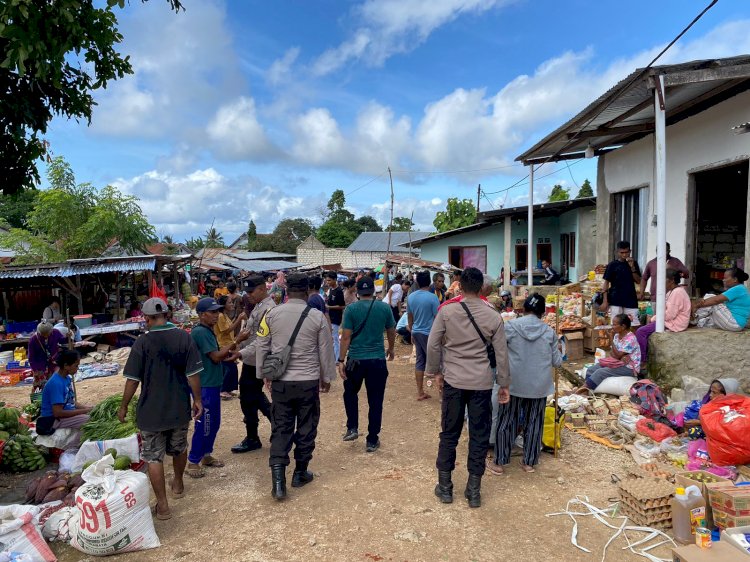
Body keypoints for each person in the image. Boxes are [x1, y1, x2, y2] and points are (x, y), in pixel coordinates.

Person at [426, 267, 510, 508]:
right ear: (482, 287)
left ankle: (445, 487)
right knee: (479, 435)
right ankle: (473, 491)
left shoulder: (447, 312)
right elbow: (502, 354)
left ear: (460, 286)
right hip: (482, 383)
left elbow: (433, 344)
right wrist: (503, 383)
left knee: (449, 433)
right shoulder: (493, 315)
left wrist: (436, 371)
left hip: (453, 380)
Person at [118, 298, 203, 521]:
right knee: (179, 446)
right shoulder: (184, 337)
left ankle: (163, 506)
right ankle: (178, 483)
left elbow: (132, 380)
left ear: (146, 319)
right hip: (178, 406)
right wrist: (198, 400)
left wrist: (124, 405)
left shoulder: (142, 343)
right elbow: (193, 374)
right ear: (167, 314)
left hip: (151, 410)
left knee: (154, 458)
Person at [256, 274, 336, 500]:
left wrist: (264, 374)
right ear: (309, 290)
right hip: (308, 381)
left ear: (286, 291)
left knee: (281, 427)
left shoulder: (270, 314)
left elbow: (263, 345)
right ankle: (300, 473)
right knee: (307, 426)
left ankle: (278, 483)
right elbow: (325, 350)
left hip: (281, 381)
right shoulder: (317, 317)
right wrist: (326, 377)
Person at [489, 294, 561, 475]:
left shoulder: (510, 326)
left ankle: (499, 462)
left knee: (506, 421)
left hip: (513, 383)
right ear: (542, 312)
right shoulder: (549, 332)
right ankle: (528, 462)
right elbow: (557, 362)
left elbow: (499, 351)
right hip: (539, 386)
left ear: (524, 309)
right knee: (534, 423)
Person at [338, 276, 396, 453]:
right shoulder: (384, 308)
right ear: (374, 291)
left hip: (355, 360)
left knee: (350, 393)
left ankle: (352, 427)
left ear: (357, 292)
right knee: (375, 400)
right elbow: (391, 330)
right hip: (377, 360)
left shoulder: (351, 309)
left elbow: (346, 337)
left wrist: (341, 360)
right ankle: (372, 440)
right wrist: (391, 348)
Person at [187, 297, 239, 478]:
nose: (217, 315)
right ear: (202, 315)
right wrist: (237, 340)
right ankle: (193, 461)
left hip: (211, 383)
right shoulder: (201, 332)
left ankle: (206, 455)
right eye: (213, 312)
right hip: (205, 385)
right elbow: (215, 357)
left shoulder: (207, 331)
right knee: (205, 423)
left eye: (218, 311)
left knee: (213, 422)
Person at [232, 276, 274, 453]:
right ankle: (277, 427)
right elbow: (250, 334)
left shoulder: (269, 309)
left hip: (258, 360)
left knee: (249, 398)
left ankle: (253, 437)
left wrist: (240, 351)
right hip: (251, 359)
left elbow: (262, 340)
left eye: (251, 291)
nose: (248, 295)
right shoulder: (258, 306)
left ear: (263, 288)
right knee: (253, 396)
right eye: (247, 292)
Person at [635, 269, 691, 364]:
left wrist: (653, 318)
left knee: (641, 332)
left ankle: (642, 361)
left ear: (671, 280)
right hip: (669, 320)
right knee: (645, 325)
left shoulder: (678, 292)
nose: (661, 282)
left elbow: (670, 315)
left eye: (663, 279)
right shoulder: (671, 292)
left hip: (675, 323)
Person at [580, 314, 640, 391]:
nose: (612, 326)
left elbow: (617, 355)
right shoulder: (617, 336)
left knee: (600, 372)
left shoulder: (631, 339)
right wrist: (619, 355)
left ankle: (582, 390)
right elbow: (613, 354)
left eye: (614, 325)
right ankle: (588, 390)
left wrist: (611, 339)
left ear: (623, 326)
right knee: (591, 369)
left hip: (629, 368)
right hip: (617, 362)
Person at [37, 350, 92, 435]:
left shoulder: (66, 378)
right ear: (66, 365)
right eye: (76, 366)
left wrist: (87, 408)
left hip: (63, 416)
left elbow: (70, 401)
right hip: (53, 420)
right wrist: (83, 411)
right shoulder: (56, 383)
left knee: (92, 413)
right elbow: (57, 412)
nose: (77, 369)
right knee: (89, 420)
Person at [407, 271, 440, 401]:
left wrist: (411, 330)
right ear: (429, 282)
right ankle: (442, 394)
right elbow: (438, 318)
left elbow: (410, 316)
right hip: (429, 333)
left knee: (420, 362)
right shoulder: (433, 298)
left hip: (416, 331)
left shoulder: (411, 297)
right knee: (437, 362)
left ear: (417, 282)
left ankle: (420, 392)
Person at [693, 267, 750, 332]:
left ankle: (693, 317)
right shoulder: (740, 288)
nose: (723, 280)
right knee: (706, 319)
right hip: (736, 324)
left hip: (734, 322)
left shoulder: (738, 288)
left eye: (725, 278)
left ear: (735, 279)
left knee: (711, 298)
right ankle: (694, 318)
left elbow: (716, 300)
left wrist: (696, 305)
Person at [215, 295, 248, 400]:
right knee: (228, 368)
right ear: (223, 305)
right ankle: (223, 390)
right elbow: (227, 331)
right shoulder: (220, 316)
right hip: (223, 345)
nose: (232, 304)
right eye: (229, 302)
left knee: (232, 368)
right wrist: (239, 319)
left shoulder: (224, 315)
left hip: (229, 344)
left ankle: (228, 389)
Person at [601, 241, 642, 326]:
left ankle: (631, 340)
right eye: (622, 252)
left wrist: (632, 268)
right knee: (616, 325)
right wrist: (605, 301)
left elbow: (639, 281)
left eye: (626, 252)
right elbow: (606, 283)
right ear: (617, 252)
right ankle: (616, 339)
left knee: (633, 324)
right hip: (615, 300)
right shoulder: (612, 265)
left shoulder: (634, 264)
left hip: (630, 300)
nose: (624, 255)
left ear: (630, 251)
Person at [29, 321, 67, 391]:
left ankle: (54, 398)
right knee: (39, 386)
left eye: (48, 334)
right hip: (40, 365)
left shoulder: (55, 332)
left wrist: (67, 337)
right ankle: (37, 400)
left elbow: (62, 340)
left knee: (55, 382)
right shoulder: (33, 340)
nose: (46, 336)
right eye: (44, 334)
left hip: (53, 362)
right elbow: (31, 357)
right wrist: (34, 370)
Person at [324, 271, 346, 361]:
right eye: (327, 280)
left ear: (335, 280)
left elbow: (342, 306)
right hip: (330, 317)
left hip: (336, 318)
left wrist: (329, 307)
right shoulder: (331, 290)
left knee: (335, 338)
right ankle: (333, 356)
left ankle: (337, 358)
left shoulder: (339, 291)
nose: (327, 282)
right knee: (332, 338)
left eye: (329, 280)